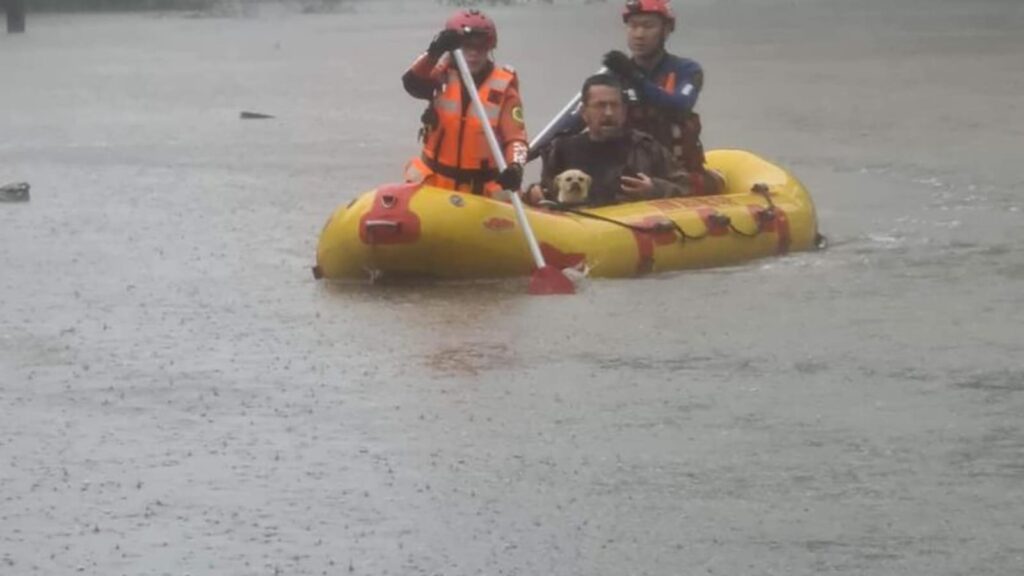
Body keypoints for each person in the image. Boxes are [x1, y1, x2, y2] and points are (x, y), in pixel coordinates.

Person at [533, 0, 722, 196]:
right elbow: (577, 119)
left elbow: (680, 106)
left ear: (666, 30)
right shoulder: (614, 75)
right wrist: (523, 157)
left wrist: (634, 76)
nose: (639, 34)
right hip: (629, 165)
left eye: (648, 26)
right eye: (633, 26)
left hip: (674, 168)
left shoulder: (687, 70)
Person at [401, 9, 528, 198]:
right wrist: (434, 51)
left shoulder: (504, 88)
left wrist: (515, 167)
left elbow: (516, 138)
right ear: (456, 49)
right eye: (467, 47)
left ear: (489, 48)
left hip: (479, 190)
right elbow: (412, 83)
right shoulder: (438, 74)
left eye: (480, 48)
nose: (474, 54)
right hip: (436, 184)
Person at [526, 74, 689, 206]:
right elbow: (546, 190)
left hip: (631, 232)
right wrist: (533, 192)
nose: (609, 113)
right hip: (574, 232)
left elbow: (687, 187)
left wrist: (655, 189)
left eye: (614, 105)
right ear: (584, 112)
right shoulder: (562, 150)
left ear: (624, 111)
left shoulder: (644, 147)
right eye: (600, 106)